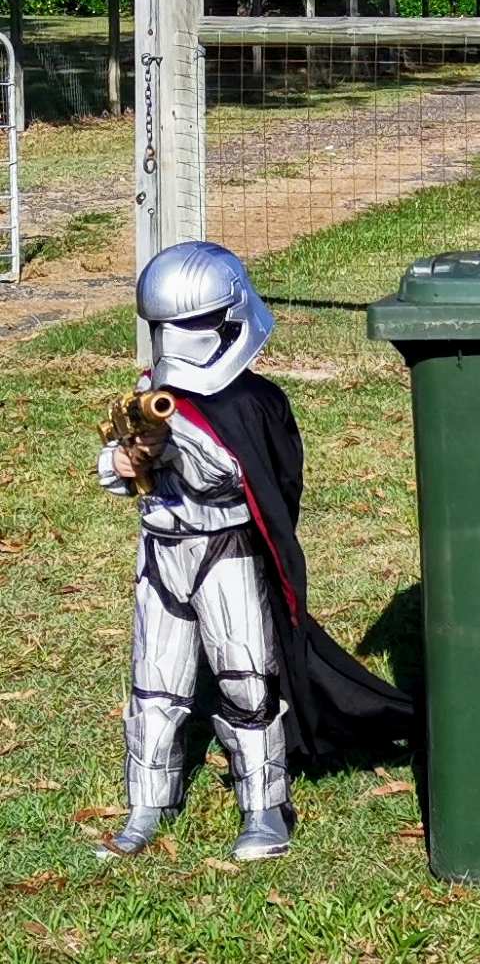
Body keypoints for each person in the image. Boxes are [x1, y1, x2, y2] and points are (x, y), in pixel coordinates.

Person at [97, 242, 414, 861]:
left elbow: (235, 476)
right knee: (156, 686)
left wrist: (173, 444)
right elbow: (112, 472)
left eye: (189, 325)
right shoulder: (149, 393)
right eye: (167, 327)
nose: (177, 342)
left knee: (246, 681)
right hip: (164, 551)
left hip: (228, 550)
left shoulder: (254, 402)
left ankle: (265, 808)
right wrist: (131, 455)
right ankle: (145, 806)